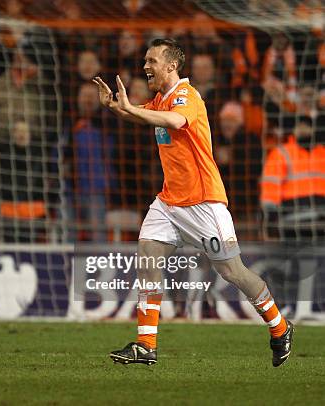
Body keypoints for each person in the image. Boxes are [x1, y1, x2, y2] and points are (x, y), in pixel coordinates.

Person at [92, 38, 294, 367]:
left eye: (152, 60)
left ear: (171, 66)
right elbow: (145, 117)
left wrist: (130, 108)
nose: (145, 66)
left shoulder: (187, 96)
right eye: (145, 60)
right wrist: (117, 108)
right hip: (169, 201)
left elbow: (175, 121)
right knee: (147, 254)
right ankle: (146, 344)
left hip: (204, 202)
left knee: (233, 272)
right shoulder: (160, 99)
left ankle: (280, 327)